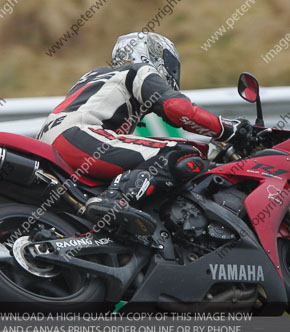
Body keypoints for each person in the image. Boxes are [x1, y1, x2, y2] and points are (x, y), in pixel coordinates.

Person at [37, 32, 251, 237]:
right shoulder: (137, 71)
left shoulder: (95, 79)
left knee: (154, 153)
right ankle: (115, 199)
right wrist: (227, 129)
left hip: (50, 142)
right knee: (181, 155)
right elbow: (177, 109)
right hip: (77, 136)